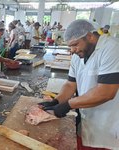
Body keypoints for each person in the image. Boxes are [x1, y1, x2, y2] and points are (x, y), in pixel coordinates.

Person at [39, 19, 119, 149]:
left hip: (108, 125)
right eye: (70, 46)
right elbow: (71, 84)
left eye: (75, 44)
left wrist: (69, 104)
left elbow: (106, 92)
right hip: (87, 120)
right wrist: (57, 101)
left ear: (89, 36)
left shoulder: (112, 49)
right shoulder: (78, 55)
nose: (72, 50)